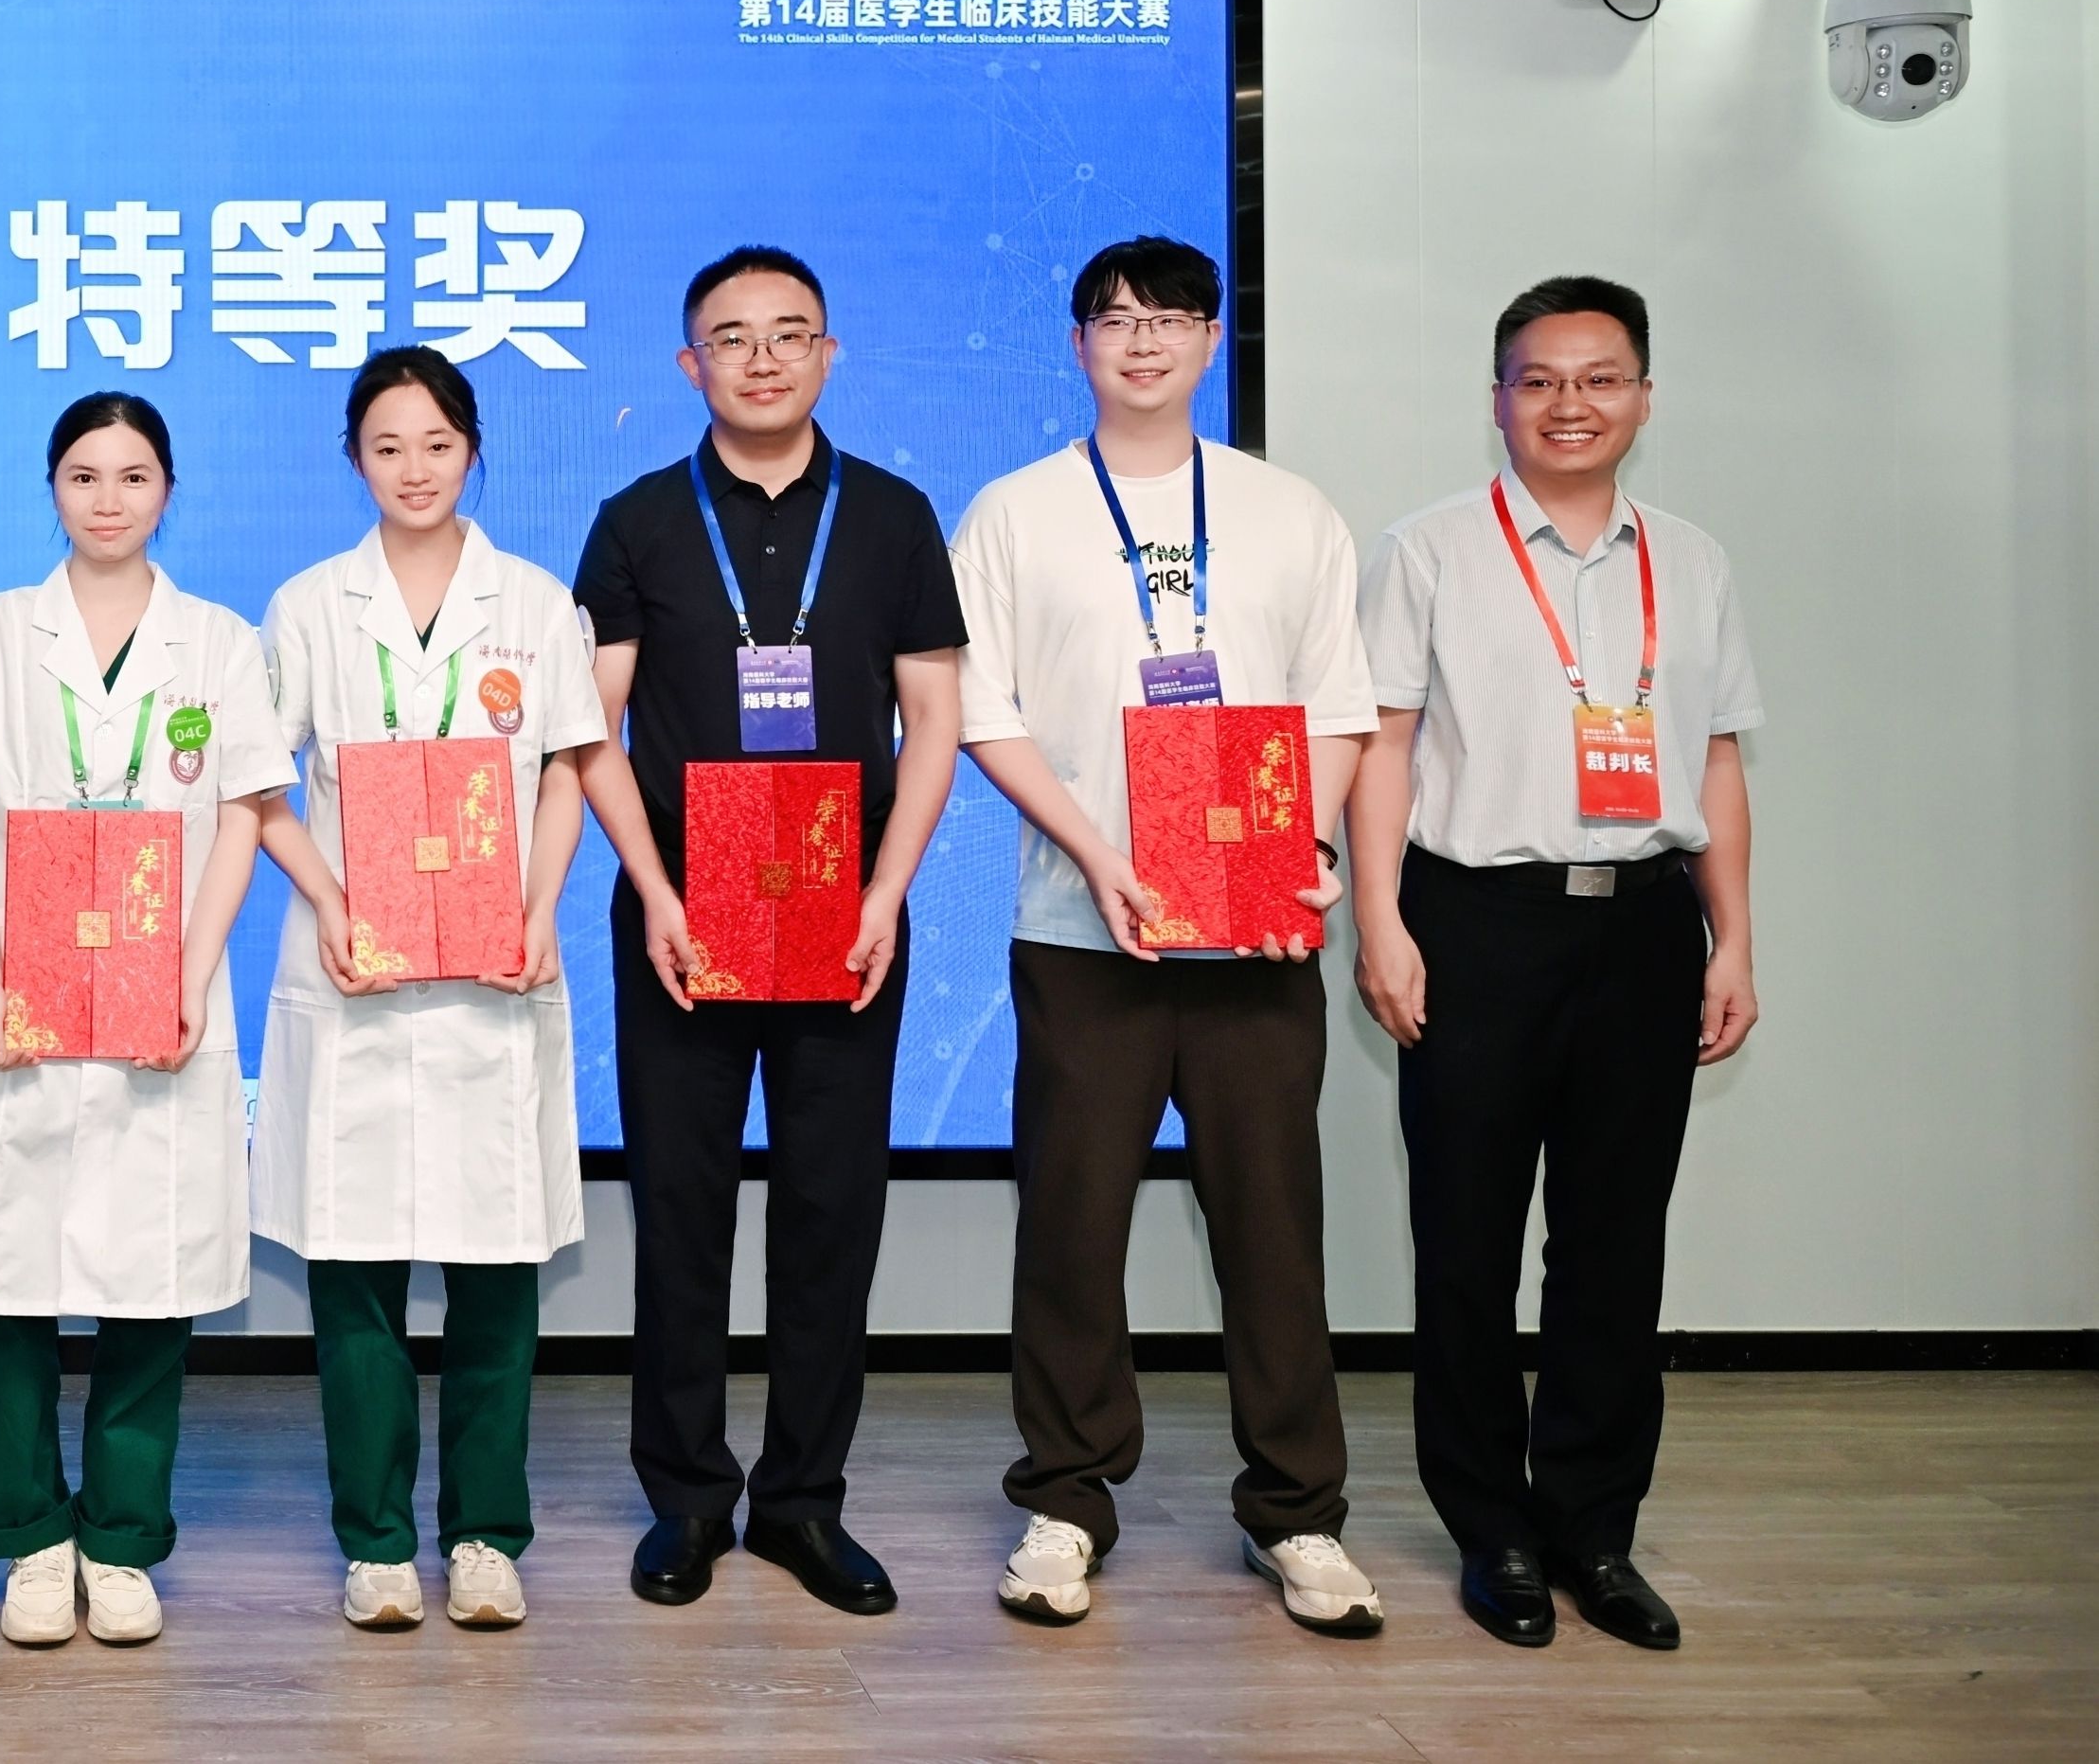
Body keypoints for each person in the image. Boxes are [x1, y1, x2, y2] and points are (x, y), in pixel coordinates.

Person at [949, 236, 1382, 1637]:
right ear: (1077, 343)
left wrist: (1301, 855)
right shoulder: (1015, 512)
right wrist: (1099, 855)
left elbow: (1337, 706)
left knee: (1273, 1229)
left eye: (1172, 317)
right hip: (1084, 935)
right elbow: (982, 711)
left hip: (1256, 940)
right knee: (1070, 1228)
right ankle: (1066, 1499)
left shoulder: (1287, 510)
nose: (1143, 340)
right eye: (1116, 318)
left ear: (1210, 339)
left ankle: (1297, 1513)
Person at [1348, 276, 1761, 1654]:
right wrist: (1380, 921)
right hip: (1476, 921)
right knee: (1466, 1241)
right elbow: (1382, 744)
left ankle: (1592, 1527)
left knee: (1614, 1244)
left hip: (1644, 926)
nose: (1568, 404)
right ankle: (1494, 1531)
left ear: (1643, 396)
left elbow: (1715, 755)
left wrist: (1733, 938)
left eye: (1597, 378)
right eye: (1538, 380)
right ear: (1497, 399)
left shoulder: (1692, 561)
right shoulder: (1427, 549)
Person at [577, 247, 967, 1613]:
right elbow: (592, 728)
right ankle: (687, 1497)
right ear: (690, 364)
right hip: (682, 917)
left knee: (829, 1214)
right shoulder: (636, 518)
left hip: (845, 912)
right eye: (731, 338)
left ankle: (803, 1502)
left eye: (789, 333)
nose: (761, 358)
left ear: (828, 352)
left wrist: (886, 891)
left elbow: (935, 721)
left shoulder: (895, 515)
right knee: (679, 1212)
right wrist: (654, 889)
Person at [0, 392, 294, 1648]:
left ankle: (121, 1539)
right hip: (20, 986)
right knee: (7, 1282)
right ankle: (28, 1535)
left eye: (132, 475)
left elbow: (239, 818)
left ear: (167, 490)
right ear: (52, 489)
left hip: (157, 989)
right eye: (84, 474)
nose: (108, 497)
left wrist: (189, 974)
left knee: (151, 1283)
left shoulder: (217, 641)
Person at [256, 345, 606, 1633]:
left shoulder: (534, 600)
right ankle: (375, 1541)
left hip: (492, 972)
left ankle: (486, 1534)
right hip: (355, 968)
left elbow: (565, 765)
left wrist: (538, 907)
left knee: (497, 1263)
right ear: (353, 456)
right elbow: (260, 780)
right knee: (352, 1266)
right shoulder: (308, 604)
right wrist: (331, 900)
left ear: (474, 450)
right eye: (387, 445)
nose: (414, 468)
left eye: (437, 444)